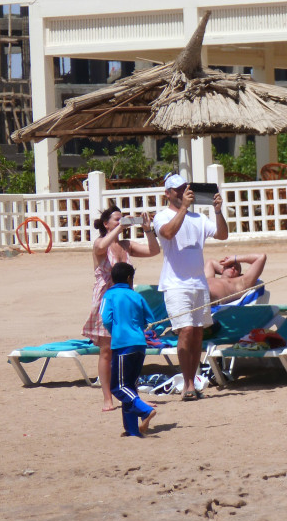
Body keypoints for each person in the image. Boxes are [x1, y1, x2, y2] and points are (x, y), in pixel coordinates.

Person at [153, 173, 228, 401]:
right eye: (177, 190)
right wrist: (184, 208)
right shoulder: (162, 216)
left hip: (198, 284)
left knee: (197, 333)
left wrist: (217, 211)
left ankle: (193, 382)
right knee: (185, 330)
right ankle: (186, 384)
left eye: (185, 188)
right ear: (168, 193)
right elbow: (167, 233)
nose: (183, 192)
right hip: (176, 285)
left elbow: (222, 235)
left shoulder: (198, 218)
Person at [82, 205, 160, 412]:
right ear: (106, 224)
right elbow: (101, 247)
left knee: (129, 348)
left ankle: (132, 396)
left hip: (126, 300)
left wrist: (147, 229)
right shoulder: (100, 242)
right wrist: (119, 228)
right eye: (117, 219)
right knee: (106, 350)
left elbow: (154, 251)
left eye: (122, 219)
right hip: (106, 298)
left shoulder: (126, 245)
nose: (121, 222)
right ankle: (107, 397)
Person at [101, 262, 157, 437]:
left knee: (117, 387)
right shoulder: (136, 296)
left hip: (122, 345)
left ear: (112, 279)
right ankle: (132, 430)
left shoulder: (109, 295)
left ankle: (145, 410)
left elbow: (106, 319)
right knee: (129, 386)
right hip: (139, 345)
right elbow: (152, 321)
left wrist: (115, 331)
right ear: (129, 278)